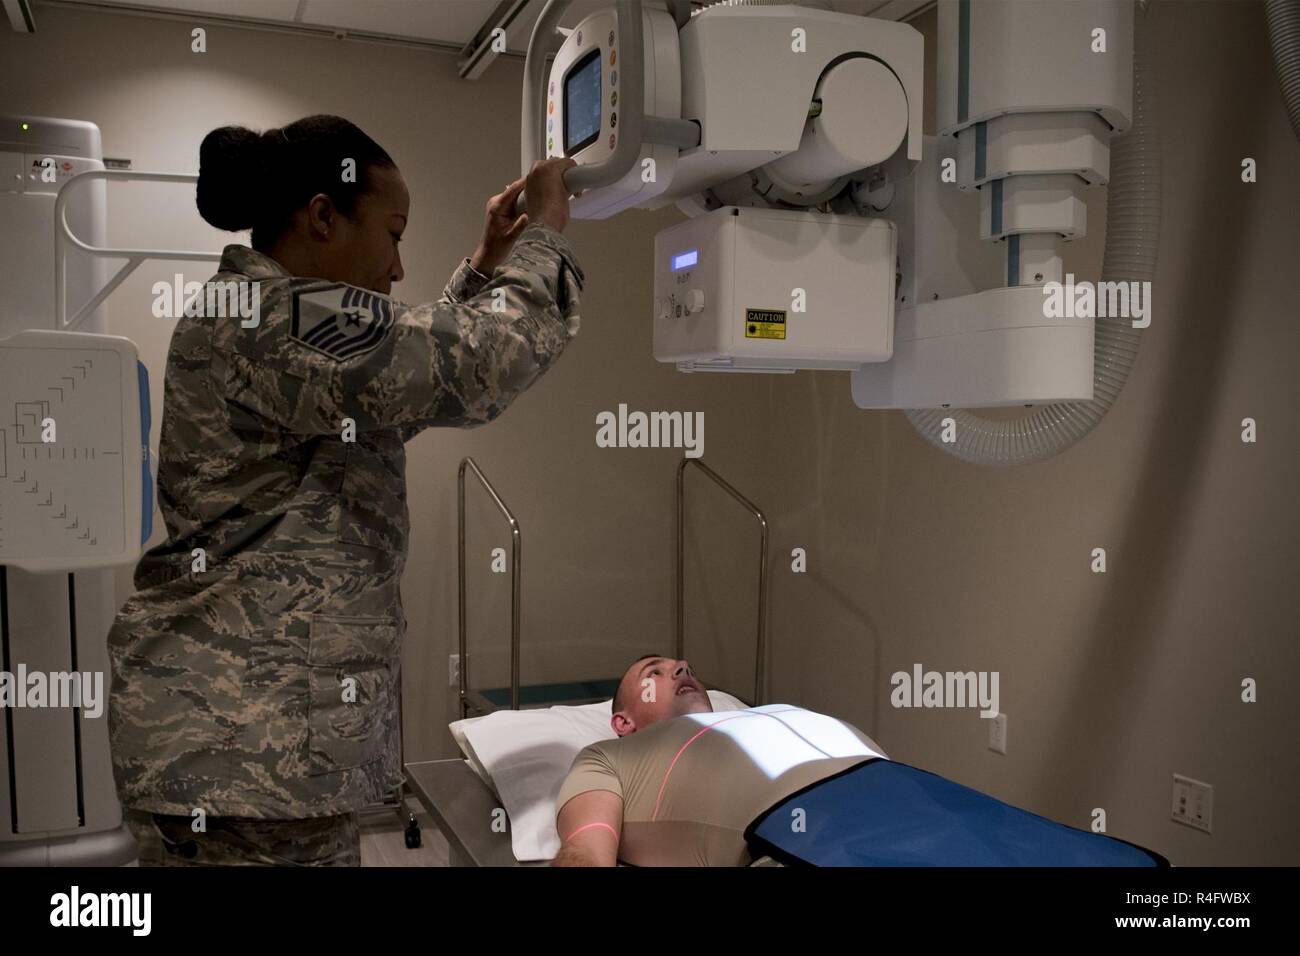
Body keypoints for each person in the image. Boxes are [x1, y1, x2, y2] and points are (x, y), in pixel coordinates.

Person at [108, 114, 584, 866]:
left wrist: (488, 266)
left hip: (250, 756)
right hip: (245, 758)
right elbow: (479, 363)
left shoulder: (268, 322)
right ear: (323, 216)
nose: (398, 268)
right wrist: (548, 239)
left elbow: (402, 385)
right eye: (394, 233)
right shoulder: (274, 318)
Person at [553, 656, 1168, 867]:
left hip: (918, 804)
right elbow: (586, 851)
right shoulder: (612, 755)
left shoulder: (775, 713)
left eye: (681, 664)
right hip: (797, 837)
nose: (678, 670)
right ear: (624, 719)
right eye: (653, 674)